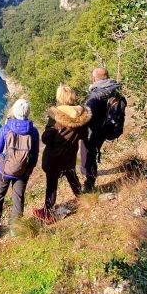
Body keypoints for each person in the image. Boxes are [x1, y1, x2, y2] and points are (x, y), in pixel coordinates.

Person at [33, 84, 91, 224]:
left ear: (59, 97)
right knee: (72, 176)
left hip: (54, 157)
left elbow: (46, 139)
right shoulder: (81, 117)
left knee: (51, 185)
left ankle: (47, 212)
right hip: (70, 154)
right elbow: (84, 136)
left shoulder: (56, 116)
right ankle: (84, 200)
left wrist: (52, 129)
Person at [0, 98, 40, 238]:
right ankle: (15, 227)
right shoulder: (33, 131)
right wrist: (30, 167)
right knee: (18, 198)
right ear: (28, 112)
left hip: (4, 170)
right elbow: (35, 153)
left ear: (14, 111)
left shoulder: (6, 128)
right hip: (22, 171)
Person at [80, 68, 121, 192]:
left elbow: (88, 116)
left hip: (96, 130)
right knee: (92, 151)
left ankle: (89, 182)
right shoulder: (115, 89)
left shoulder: (94, 95)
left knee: (89, 153)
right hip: (110, 126)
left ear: (94, 78)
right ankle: (87, 172)